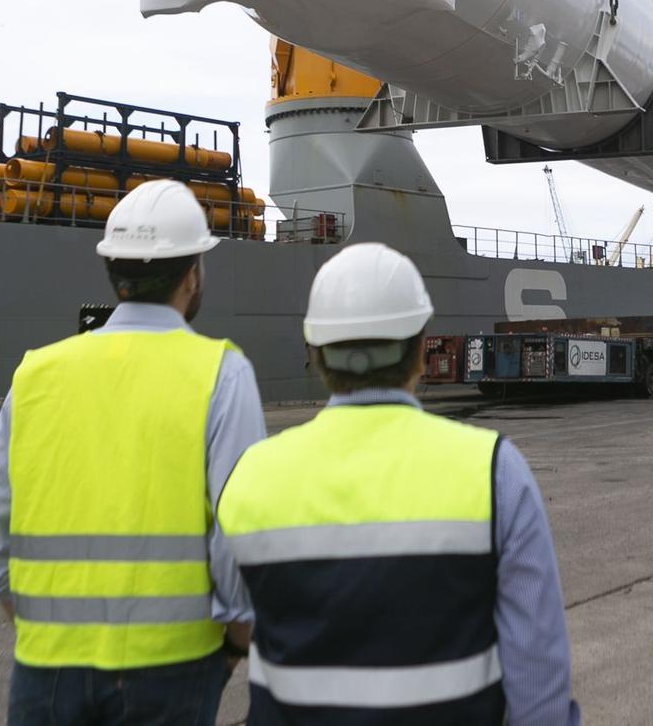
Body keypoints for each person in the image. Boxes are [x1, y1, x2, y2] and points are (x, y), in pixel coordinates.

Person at [218, 243, 580, 725]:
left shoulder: (251, 477)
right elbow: (539, 688)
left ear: (314, 352)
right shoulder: (494, 472)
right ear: (422, 348)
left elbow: (231, 622)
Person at [0, 180, 267, 726]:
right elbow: (239, 543)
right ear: (192, 273)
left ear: (115, 273)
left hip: (44, 669)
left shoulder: (35, 374)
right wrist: (236, 647)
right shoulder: (222, 374)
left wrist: (55, 645)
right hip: (172, 668)